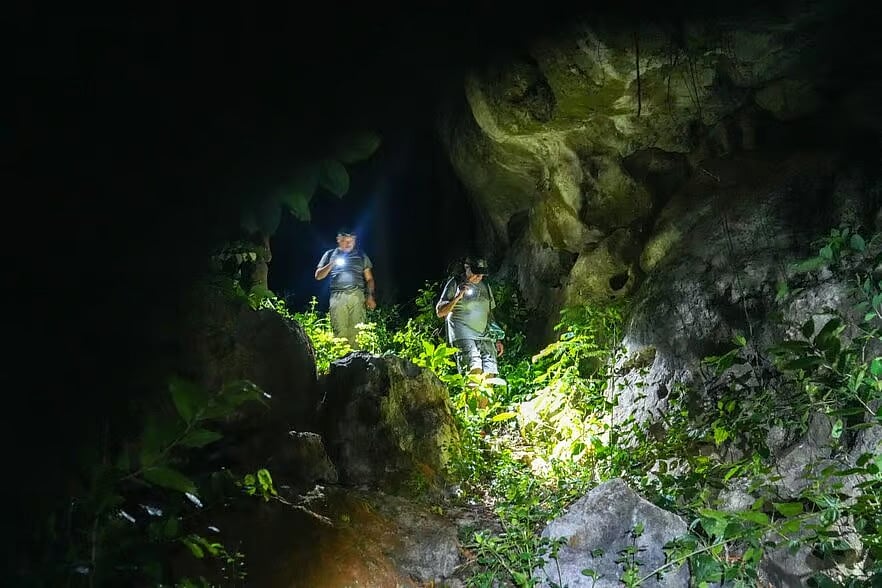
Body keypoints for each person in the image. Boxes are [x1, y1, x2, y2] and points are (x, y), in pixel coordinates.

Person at [435, 256, 505, 381]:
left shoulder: (486, 286)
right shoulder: (455, 283)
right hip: (463, 334)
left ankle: (486, 401)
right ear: (466, 268)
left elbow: (489, 313)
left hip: (485, 335)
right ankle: (472, 399)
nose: (479, 276)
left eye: (482, 273)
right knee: (474, 372)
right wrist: (457, 296)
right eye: (476, 272)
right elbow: (440, 312)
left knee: (490, 375)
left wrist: (497, 338)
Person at [314, 228, 377, 348]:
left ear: (355, 240)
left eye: (351, 240)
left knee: (357, 332)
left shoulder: (361, 255)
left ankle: (356, 362)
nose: (348, 244)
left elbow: (369, 279)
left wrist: (370, 296)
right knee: (339, 332)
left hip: (357, 296)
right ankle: (340, 362)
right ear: (338, 240)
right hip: (338, 296)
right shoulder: (330, 254)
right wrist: (332, 263)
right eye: (344, 240)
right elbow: (318, 276)